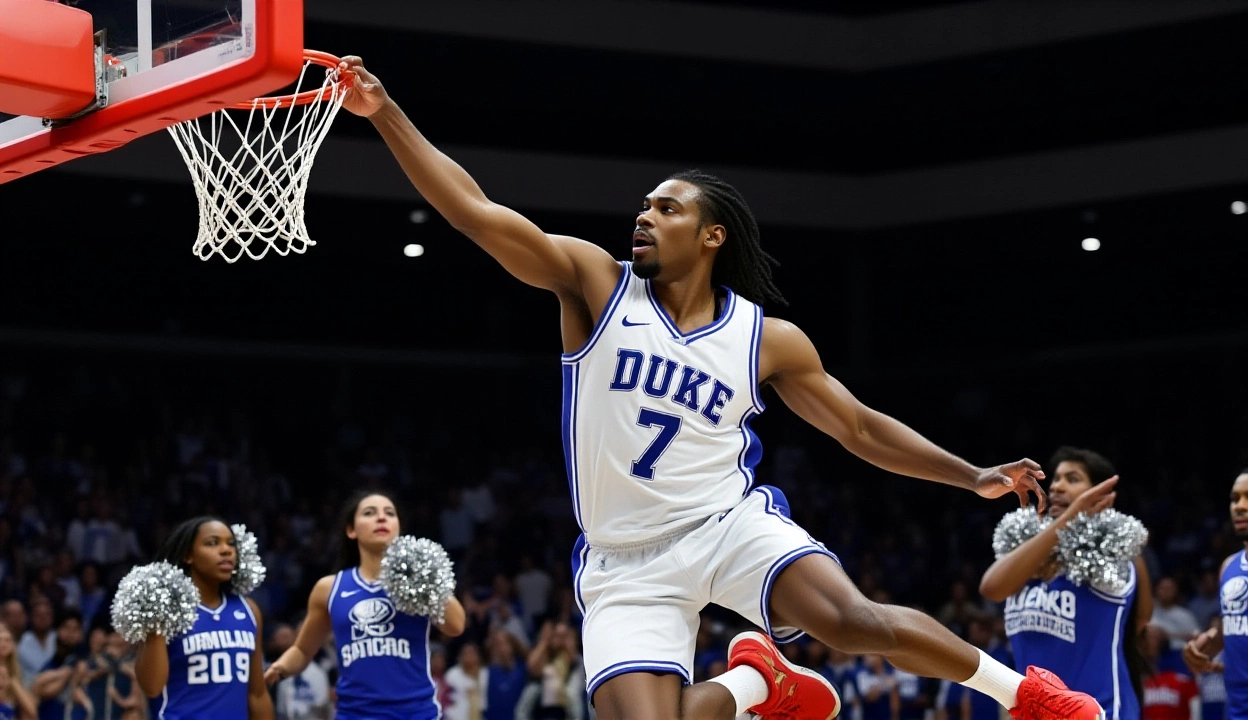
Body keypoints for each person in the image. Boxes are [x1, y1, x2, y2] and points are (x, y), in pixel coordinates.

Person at [335, 55, 1106, 720]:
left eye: (666, 207)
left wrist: (970, 475)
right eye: (644, 205)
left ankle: (1026, 695)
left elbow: (859, 428)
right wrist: (385, 112)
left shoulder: (766, 339)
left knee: (852, 620)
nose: (644, 215)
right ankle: (755, 683)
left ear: (711, 236)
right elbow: (474, 212)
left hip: (724, 523)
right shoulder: (595, 284)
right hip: (623, 559)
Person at [979, 446, 1153, 720]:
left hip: (1102, 712)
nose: (1057, 486)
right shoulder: (1026, 555)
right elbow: (991, 588)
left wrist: (1073, 518)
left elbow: (1140, 619)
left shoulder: (1116, 556)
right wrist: (1064, 523)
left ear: (1100, 494)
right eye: (1056, 478)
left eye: (1072, 479)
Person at [263, 490, 466, 720]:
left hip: (416, 715)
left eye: (389, 513)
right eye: (369, 513)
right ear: (351, 530)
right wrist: (279, 667)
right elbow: (302, 650)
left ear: (398, 528)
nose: (381, 518)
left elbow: (456, 626)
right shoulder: (329, 588)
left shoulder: (416, 577)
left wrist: (425, 578)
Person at [133, 517, 273, 720]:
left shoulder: (249, 610)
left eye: (231, 543)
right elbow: (151, 688)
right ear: (188, 555)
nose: (226, 550)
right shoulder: (167, 610)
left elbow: (257, 694)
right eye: (212, 543)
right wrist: (155, 625)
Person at [1183, 465, 1248, 720]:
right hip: (1236, 708)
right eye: (1235, 499)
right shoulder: (1229, 565)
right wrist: (1209, 642)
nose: (1240, 506)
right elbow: (1237, 625)